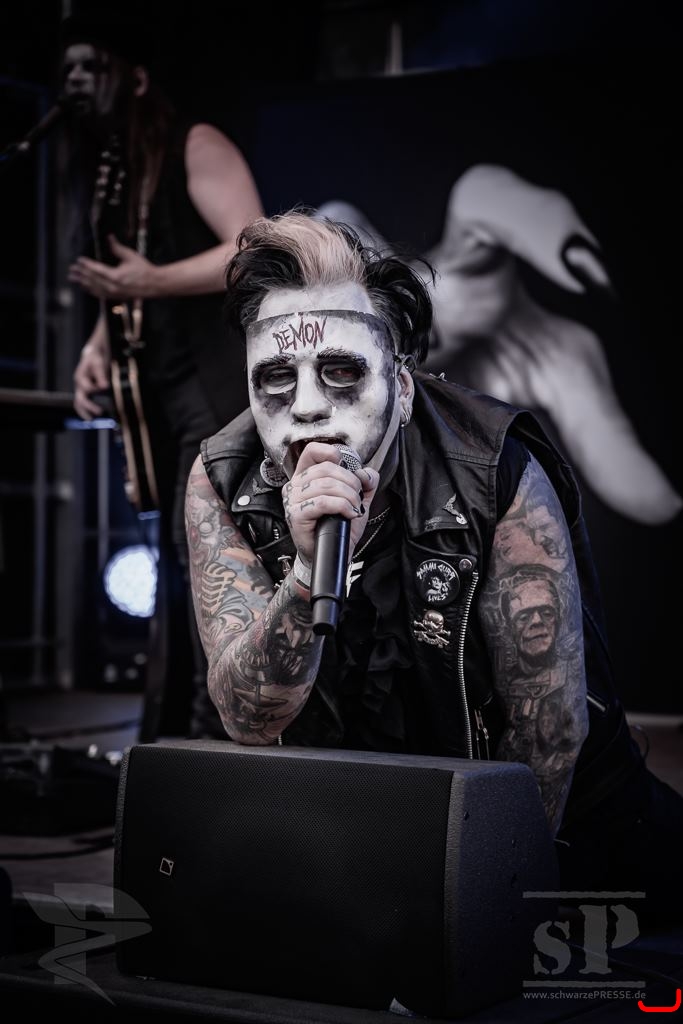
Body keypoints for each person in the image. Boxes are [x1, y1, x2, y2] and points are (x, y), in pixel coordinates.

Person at [185, 209, 683, 922]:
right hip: (355, 828)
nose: (308, 407)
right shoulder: (222, 477)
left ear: (402, 384)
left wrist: (482, 914)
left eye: (341, 371)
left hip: (573, 837)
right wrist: (303, 576)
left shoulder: (493, 471)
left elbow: (546, 737)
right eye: (275, 378)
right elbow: (247, 717)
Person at [59, 13, 264, 738]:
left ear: (136, 78)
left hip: (212, 383)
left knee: (208, 558)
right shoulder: (112, 166)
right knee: (175, 566)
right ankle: (173, 734)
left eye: (91, 65)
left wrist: (147, 282)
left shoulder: (193, 143)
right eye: (67, 67)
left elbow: (251, 245)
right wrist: (98, 344)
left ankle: (215, 734)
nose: (74, 79)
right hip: (158, 389)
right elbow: (126, 283)